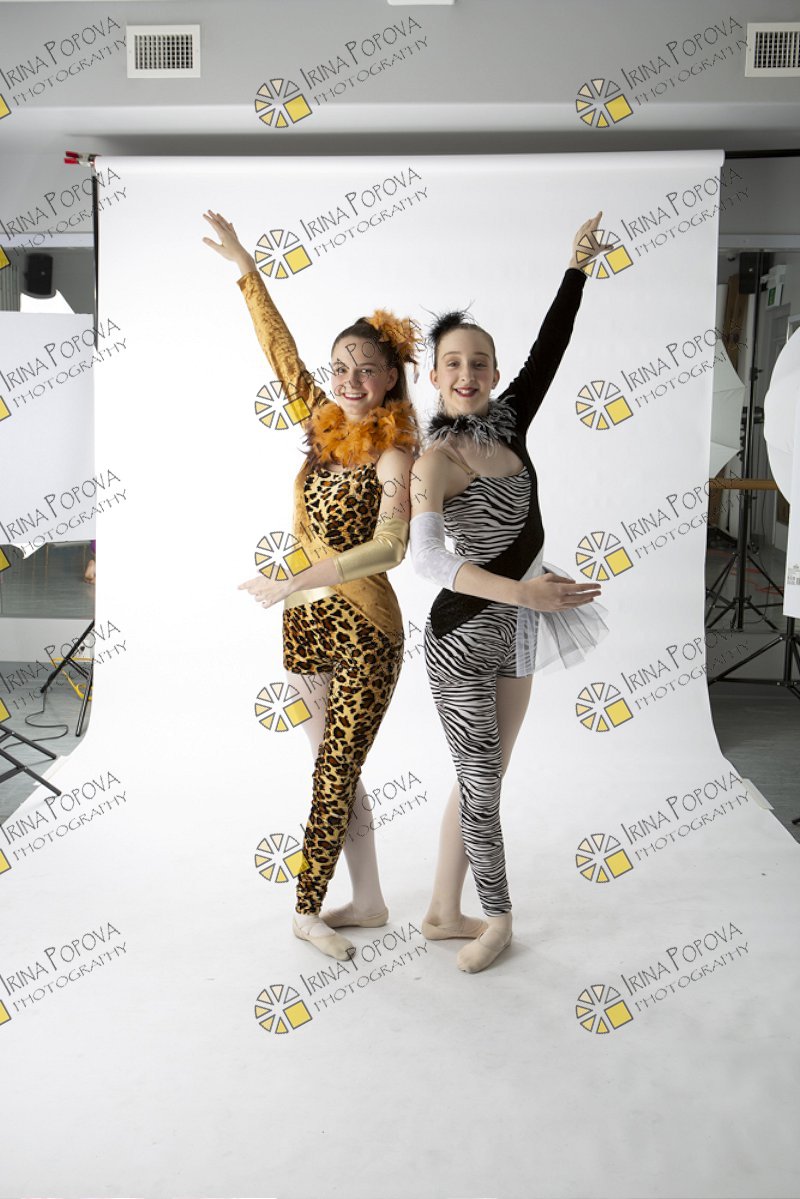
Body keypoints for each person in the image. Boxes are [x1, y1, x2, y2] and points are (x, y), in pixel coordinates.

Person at [203, 210, 421, 962]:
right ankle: (370, 898)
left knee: (334, 770)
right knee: (338, 770)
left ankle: (306, 908)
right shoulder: (322, 425)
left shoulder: (395, 457)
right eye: (340, 369)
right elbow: (281, 354)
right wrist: (246, 268)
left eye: (365, 369)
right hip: (303, 623)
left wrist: (293, 577)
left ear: (390, 377)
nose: (350, 381)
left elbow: (390, 548)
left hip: (367, 632)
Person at [410, 212, 610, 974]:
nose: (467, 374)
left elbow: (550, 348)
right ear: (434, 376)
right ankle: (496, 915)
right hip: (463, 634)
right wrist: (524, 594)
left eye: (480, 363)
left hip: (520, 630)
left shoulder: (510, 423)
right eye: (453, 363)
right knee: (482, 784)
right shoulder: (436, 459)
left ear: (494, 374)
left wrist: (576, 268)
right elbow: (428, 560)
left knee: (483, 778)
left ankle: (441, 910)